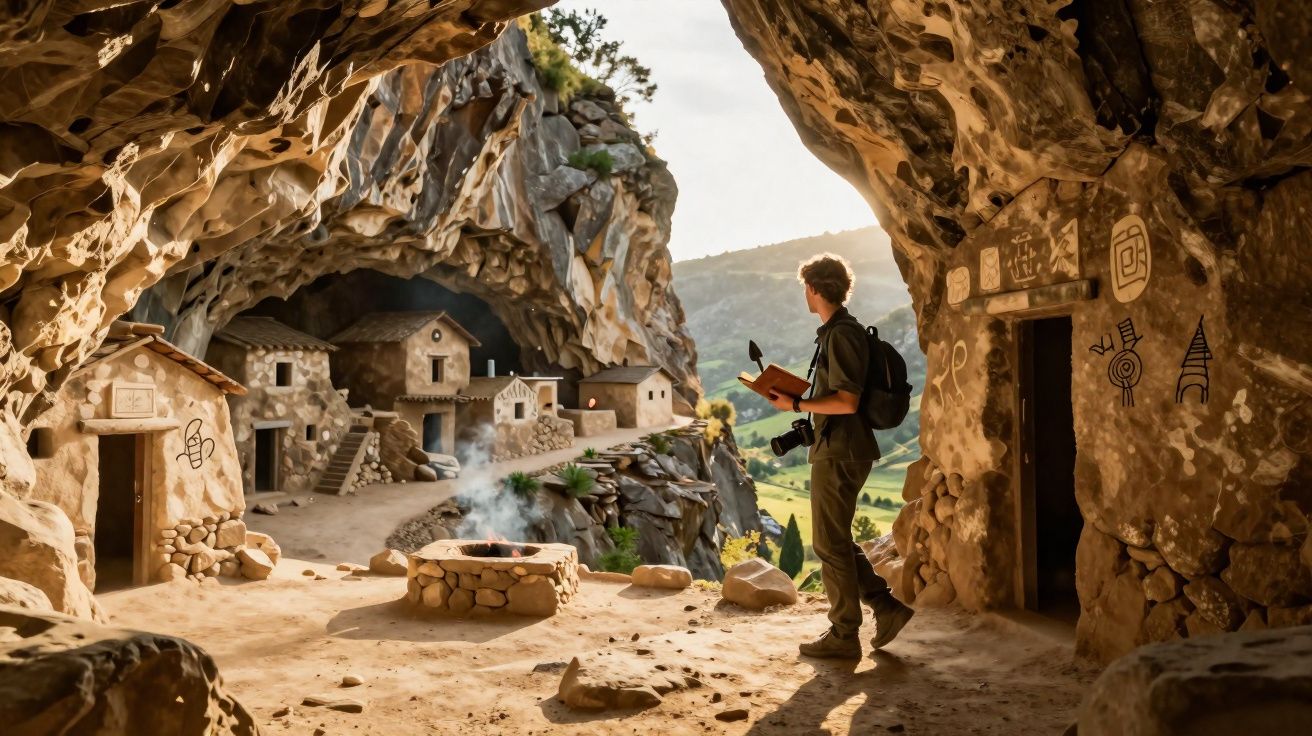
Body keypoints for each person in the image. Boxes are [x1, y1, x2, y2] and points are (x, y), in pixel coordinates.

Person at [766, 253, 914, 659]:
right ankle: (886, 609)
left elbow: (847, 402)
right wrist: (799, 400)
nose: (805, 294)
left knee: (828, 544)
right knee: (836, 540)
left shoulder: (842, 334)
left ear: (814, 288)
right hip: (838, 448)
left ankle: (845, 634)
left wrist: (797, 407)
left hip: (842, 450)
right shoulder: (834, 332)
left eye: (805, 288)